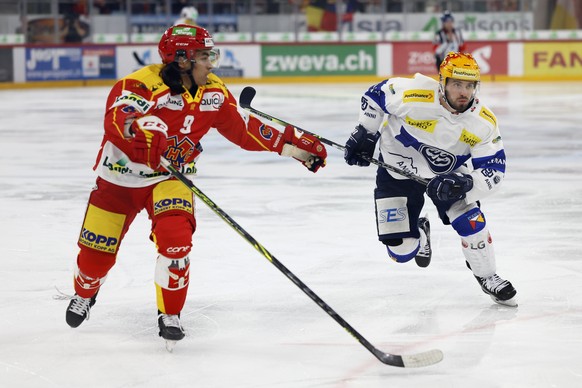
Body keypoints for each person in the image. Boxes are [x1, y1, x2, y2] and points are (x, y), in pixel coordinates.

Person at [63, 24, 328, 347]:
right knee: (95, 259)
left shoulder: (213, 91)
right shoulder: (141, 83)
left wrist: (295, 146)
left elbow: (244, 130)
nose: (212, 63)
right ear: (182, 60)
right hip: (117, 181)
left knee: (176, 240)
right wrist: (141, 131)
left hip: (169, 179)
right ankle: (85, 293)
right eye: (205, 56)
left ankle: (169, 313)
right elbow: (119, 116)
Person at [343, 52, 517, 307]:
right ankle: (421, 235)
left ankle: (488, 276)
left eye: (469, 86)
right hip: (396, 170)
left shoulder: (483, 122)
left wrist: (466, 183)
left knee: (471, 222)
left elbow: (494, 169)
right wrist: (365, 132)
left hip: (446, 178)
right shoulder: (413, 93)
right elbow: (375, 94)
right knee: (400, 251)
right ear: (442, 82)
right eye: (457, 84)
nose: (463, 92)